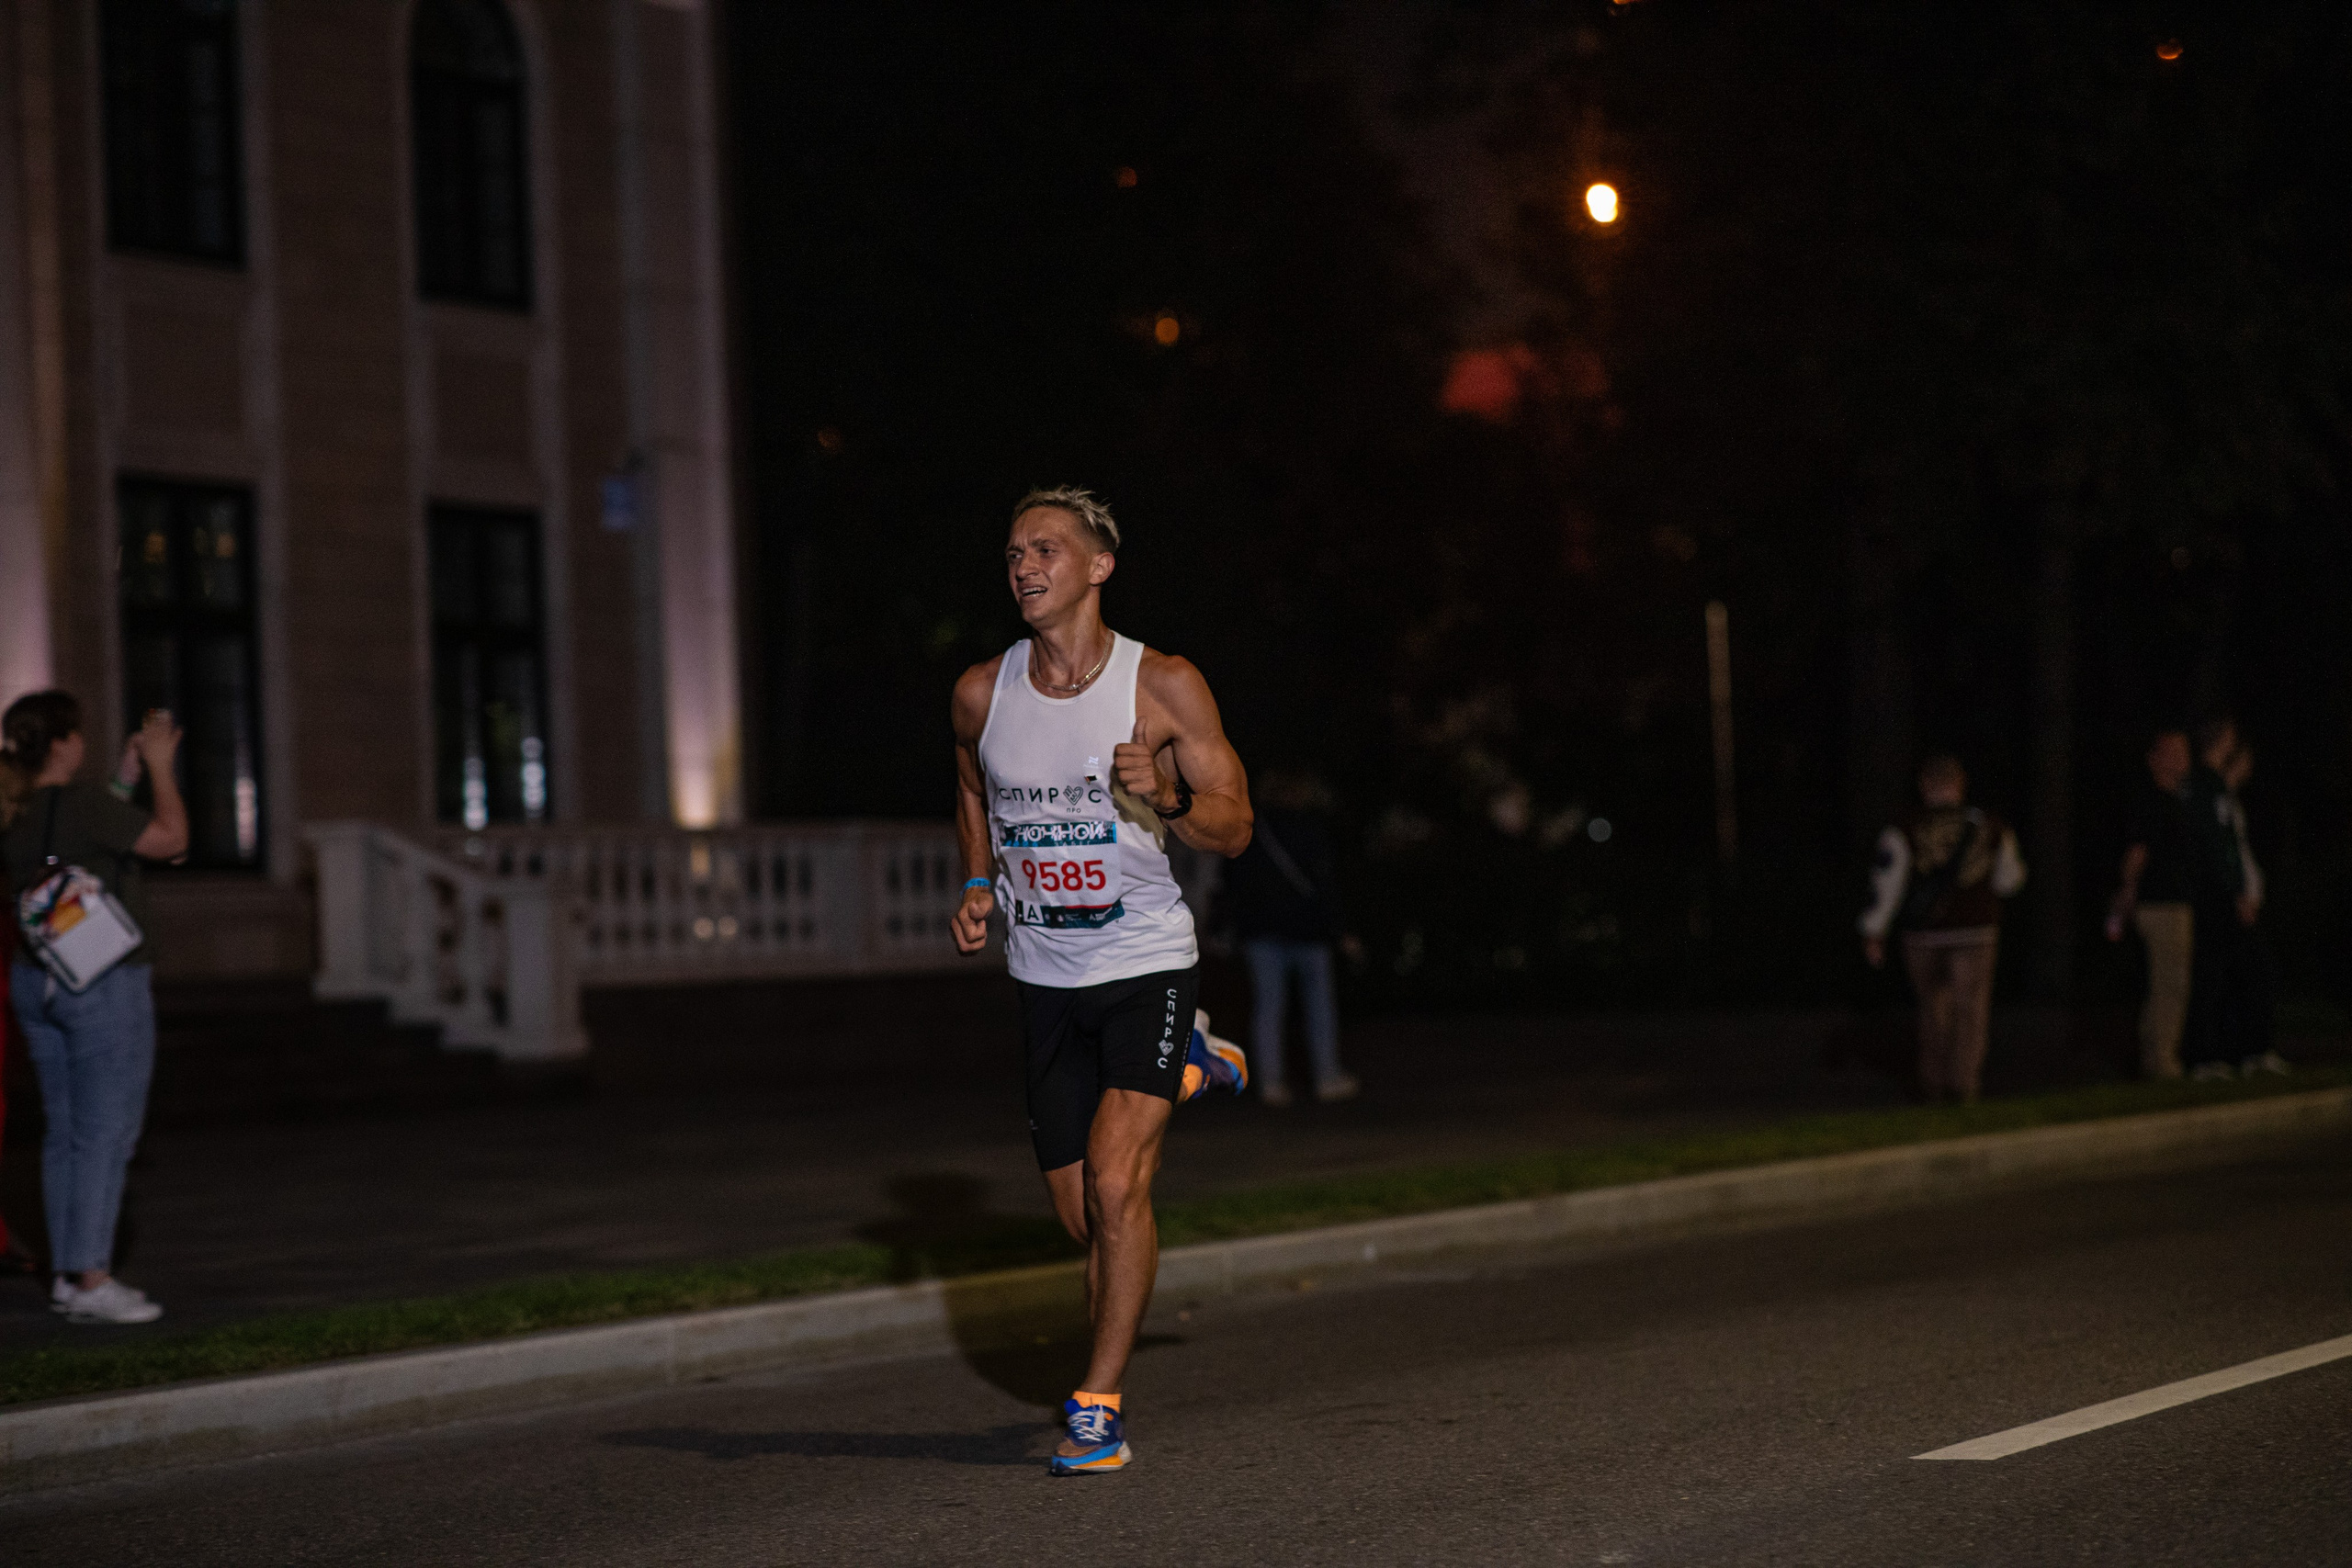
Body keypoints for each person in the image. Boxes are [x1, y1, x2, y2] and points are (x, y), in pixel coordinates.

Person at [950, 488, 1251, 1475]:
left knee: (1121, 1188)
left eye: (1045, 548)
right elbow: (968, 784)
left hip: (1145, 964)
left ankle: (1099, 1405)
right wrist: (979, 880)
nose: (1024, 566)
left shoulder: (1160, 685)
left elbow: (1234, 828)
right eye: (1011, 553)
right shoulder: (981, 694)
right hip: (1044, 979)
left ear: (1097, 566)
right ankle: (1195, 1067)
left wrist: (1162, 793)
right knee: (1089, 1221)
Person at [1, 692, 187, 1324]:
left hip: (35, 977)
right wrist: (161, 767)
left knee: (65, 1131)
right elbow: (170, 838)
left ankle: (66, 1275)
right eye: (76, 734)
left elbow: (84, 833)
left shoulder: (18, 809)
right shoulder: (80, 805)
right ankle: (92, 1279)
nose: (82, 742)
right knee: (106, 1133)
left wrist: (125, 777)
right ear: (60, 744)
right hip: (102, 982)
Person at [1859, 755, 2028, 1103]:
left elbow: (1887, 884)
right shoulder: (1990, 825)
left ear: (1924, 787)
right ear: (1960, 785)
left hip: (1924, 934)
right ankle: (1963, 1085)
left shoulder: (1904, 828)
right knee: (1971, 1009)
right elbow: (2010, 881)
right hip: (1976, 931)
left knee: (1933, 1007)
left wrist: (1875, 930)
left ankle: (1933, 1085)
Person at [1223, 767, 1360, 1106]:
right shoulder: (1310, 828)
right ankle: (1326, 1077)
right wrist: (1339, 929)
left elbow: (1235, 882)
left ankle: (1271, 1083)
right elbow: (1325, 882)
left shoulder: (1253, 830)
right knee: (1319, 1005)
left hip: (1262, 930)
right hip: (1307, 930)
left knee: (1269, 1007)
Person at [2103, 729, 2198, 1079]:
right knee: (2170, 984)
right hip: (2160, 904)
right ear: (2155, 758)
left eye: (2184, 751)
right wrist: (2126, 894)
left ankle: (2155, 1058)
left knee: (2165, 985)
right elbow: (2136, 853)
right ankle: (2164, 1063)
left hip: (2175, 901)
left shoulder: (2177, 800)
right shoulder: (2152, 801)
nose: (2183, 759)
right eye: (2173, 752)